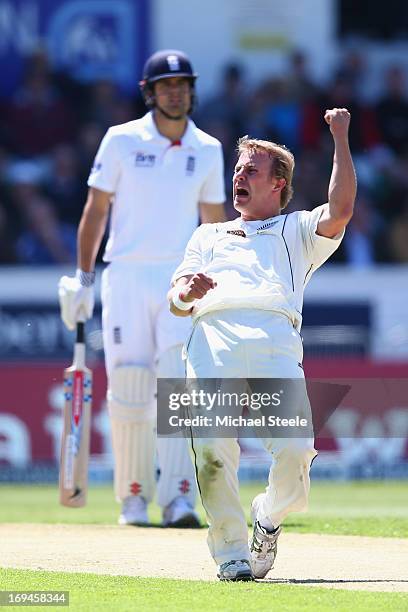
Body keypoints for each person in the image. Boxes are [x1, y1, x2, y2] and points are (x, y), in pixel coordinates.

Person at [168, 108, 356, 580]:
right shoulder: (207, 234)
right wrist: (187, 294)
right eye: (237, 169)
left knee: (295, 454)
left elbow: (342, 210)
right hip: (212, 341)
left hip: (275, 344)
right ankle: (231, 554)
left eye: (251, 170)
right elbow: (175, 299)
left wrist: (340, 138)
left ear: (278, 183)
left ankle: (268, 517)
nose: (239, 176)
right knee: (213, 453)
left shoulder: (296, 232)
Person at [58, 49, 226, 527]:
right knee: (130, 385)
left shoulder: (208, 148)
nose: (176, 92)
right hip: (127, 275)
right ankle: (133, 497)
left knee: (176, 388)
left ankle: (177, 500)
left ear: (192, 91)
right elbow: (96, 209)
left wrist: (217, 284)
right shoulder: (121, 140)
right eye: (166, 86)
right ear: (150, 93)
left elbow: (213, 224)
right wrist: (83, 277)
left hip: (181, 281)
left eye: (183, 84)